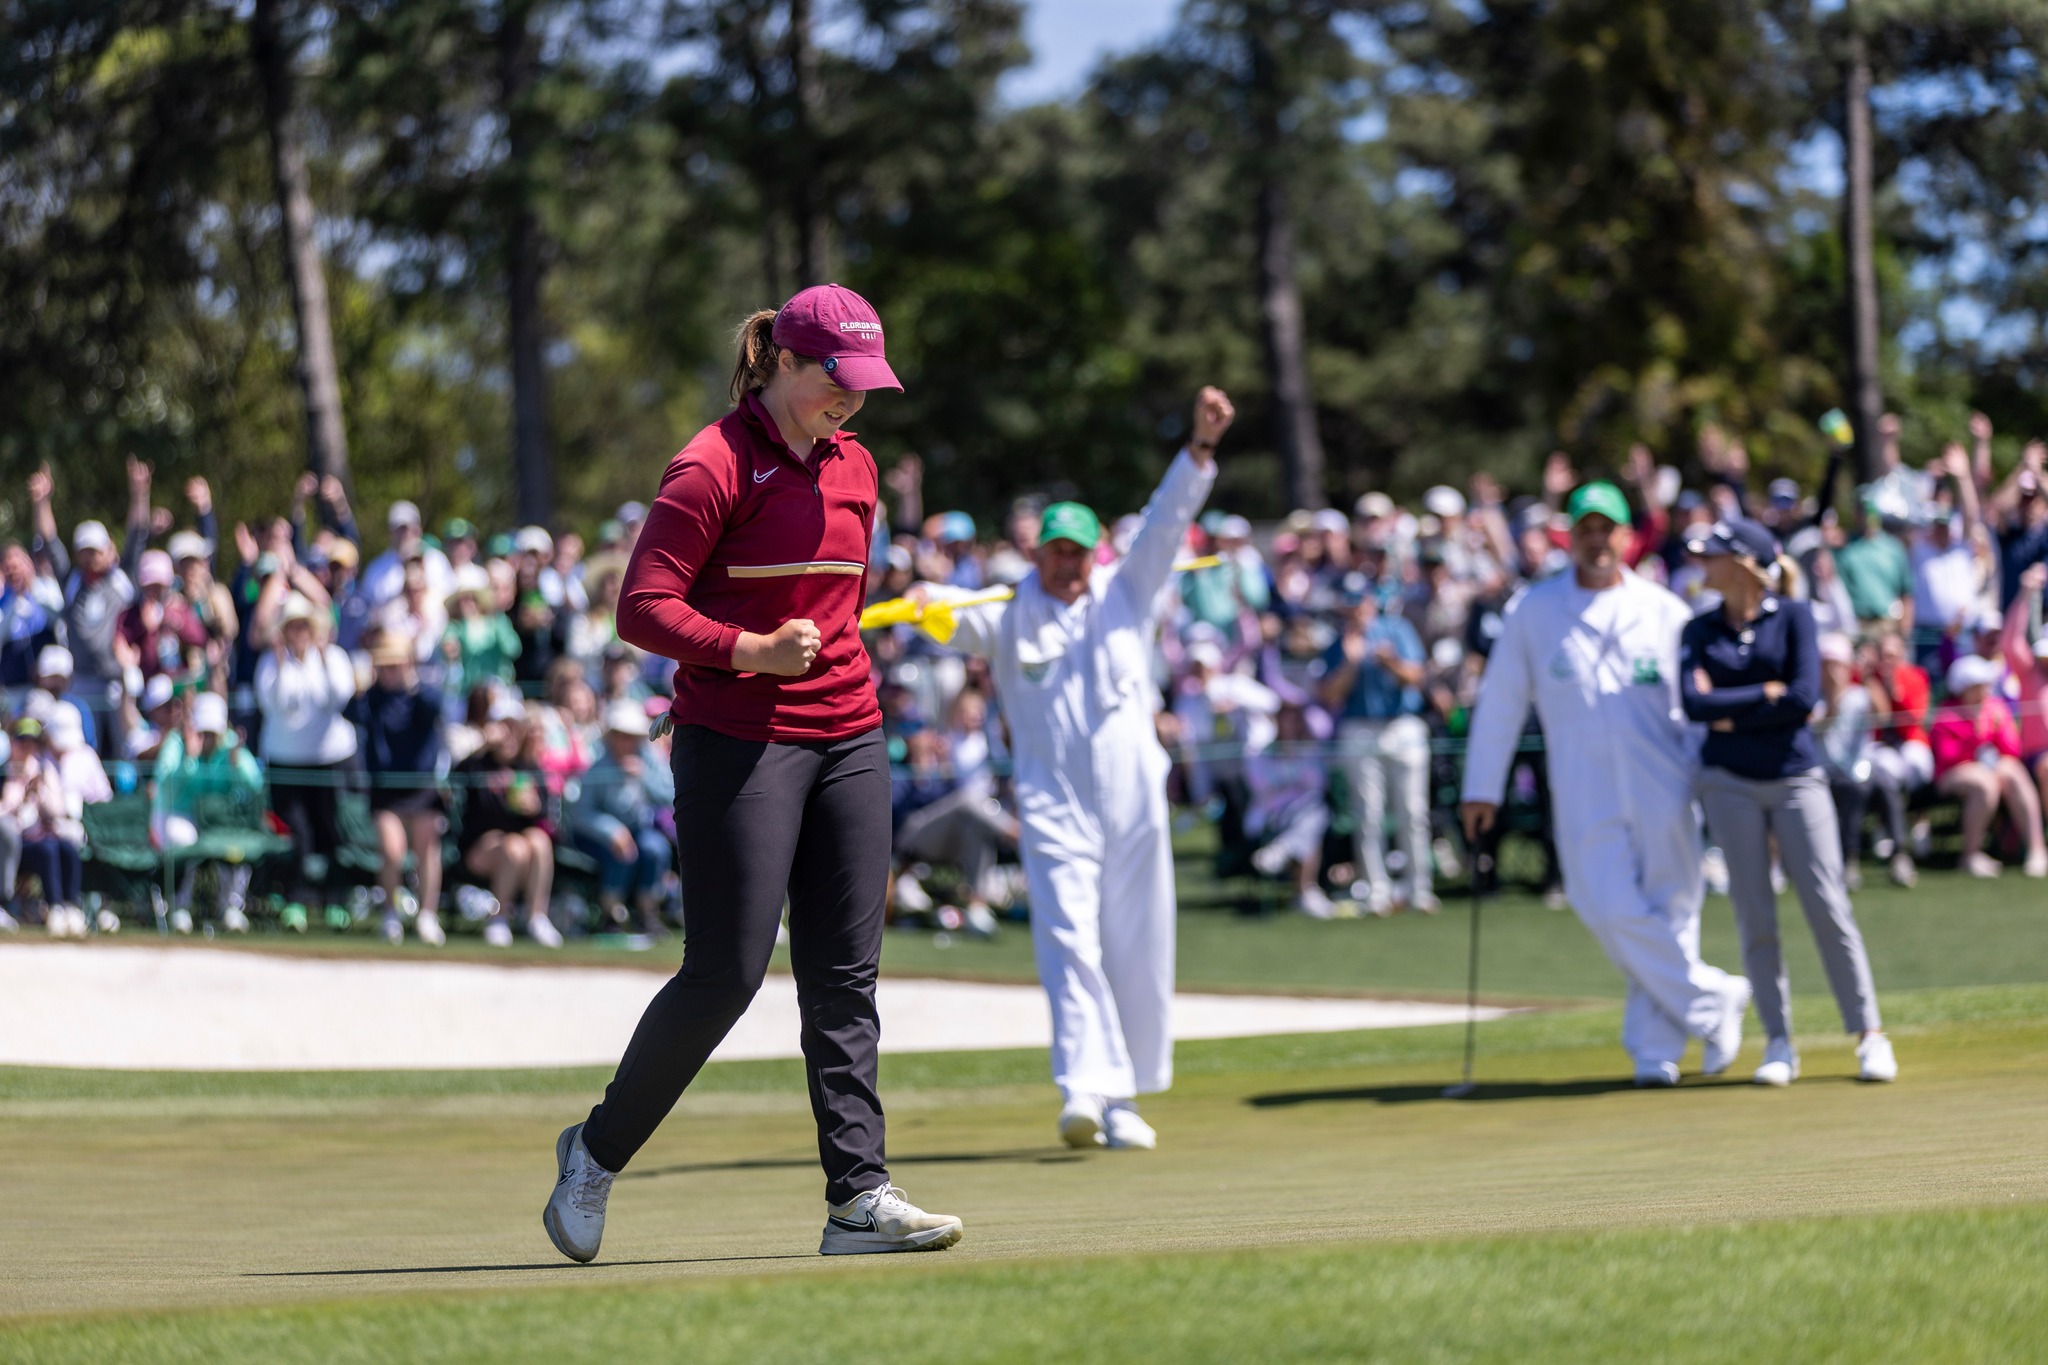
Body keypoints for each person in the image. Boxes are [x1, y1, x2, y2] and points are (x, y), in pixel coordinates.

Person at [545, 285, 962, 1263]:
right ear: (781, 360)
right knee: (725, 973)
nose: (850, 401)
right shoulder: (709, 466)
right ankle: (594, 1152)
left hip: (851, 734)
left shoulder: (855, 466)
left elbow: (833, 605)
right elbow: (641, 608)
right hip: (737, 736)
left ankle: (857, 1197)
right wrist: (746, 651)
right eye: (835, 379)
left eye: (864, 385)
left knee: (844, 980)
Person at [917, 385, 1235, 1149]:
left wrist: (1199, 449)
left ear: (1094, 551)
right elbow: (944, 614)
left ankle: (1123, 1097)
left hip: (1134, 803)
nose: (1067, 563)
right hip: (1054, 807)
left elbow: (1164, 524)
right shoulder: (1004, 611)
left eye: (1077, 550)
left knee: (1138, 944)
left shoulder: (1126, 594)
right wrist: (919, 594)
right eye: (1055, 550)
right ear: (1036, 552)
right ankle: (1083, 1088)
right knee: (1070, 945)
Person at [1460, 481, 1750, 1087]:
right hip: (1583, 781)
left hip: (1663, 779)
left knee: (1673, 908)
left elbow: (1694, 701)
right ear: (1571, 536)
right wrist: (1480, 786)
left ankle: (1654, 1051)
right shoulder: (1534, 611)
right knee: (1605, 903)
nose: (1597, 539)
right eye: (1585, 528)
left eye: (1607, 528)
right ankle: (1712, 1000)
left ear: (1626, 537)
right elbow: (1501, 702)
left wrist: (1714, 777)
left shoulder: (1665, 610)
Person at [1680, 518, 1894, 1086]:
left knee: (1827, 904)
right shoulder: (1697, 630)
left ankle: (1869, 1033)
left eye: (1716, 556)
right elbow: (1693, 707)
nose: (1704, 565)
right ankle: (1778, 1042)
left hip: (1797, 779)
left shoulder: (1796, 617)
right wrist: (1761, 694)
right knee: (1755, 914)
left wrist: (1730, 707)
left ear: (1746, 564)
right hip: (1728, 782)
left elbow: (1802, 698)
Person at [1314, 575, 1434, 914]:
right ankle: (1376, 890)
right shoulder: (1338, 641)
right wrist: (1352, 663)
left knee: (1413, 812)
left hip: (1401, 725)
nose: (1356, 610)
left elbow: (1416, 677)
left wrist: (1389, 661)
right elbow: (1329, 695)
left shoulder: (1395, 629)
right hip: (1359, 729)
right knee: (1369, 815)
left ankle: (1418, 887)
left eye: (1360, 602)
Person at [253, 593, 358, 923]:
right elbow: (277, 704)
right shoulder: (271, 663)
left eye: (304, 626)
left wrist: (324, 657)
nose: (299, 632)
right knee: (296, 832)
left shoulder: (334, 657)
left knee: (331, 830)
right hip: (286, 760)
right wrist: (284, 664)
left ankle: (335, 899)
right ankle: (296, 897)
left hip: (329, 759)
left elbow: (338, 697)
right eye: (293, 626)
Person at [348, 631, 450, 947]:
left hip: (421, 787)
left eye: (396, 664)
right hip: (386, 790)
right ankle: (391, 914)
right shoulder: (372, 698)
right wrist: (364, 684)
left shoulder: (423, 694)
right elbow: (351, 713)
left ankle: (427, 916)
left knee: (427, 849)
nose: (391, 671)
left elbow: (434, 708)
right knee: (392, 852)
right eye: (386, 665)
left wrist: (411, 683)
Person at [150, 691, 266, 934]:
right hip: (175, 815)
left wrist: (236, 764)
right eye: (204, 732)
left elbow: (254, 784)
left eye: (213, 733)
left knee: (235, 842)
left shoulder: (230, 745)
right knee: (185, 839)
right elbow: (165, 784)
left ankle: (231, 908)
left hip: (215, 820)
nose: (209, 739)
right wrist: (190, 760)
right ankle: (180, 907)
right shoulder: (176, 743)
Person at [452, 695, 562, 948]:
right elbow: (455, 777)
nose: (510, 735)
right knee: (514, 846)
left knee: (539, 840)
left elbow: (547, 817)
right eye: (504, 727)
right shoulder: (478, 764)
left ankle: (537, 917)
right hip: (480, 847)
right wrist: (482, 744)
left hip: (523, 848)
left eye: (515, 727)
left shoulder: (529, 767)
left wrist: (534, 808)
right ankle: (499, 919)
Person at [1932, 652, 2046, 879]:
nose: (1984, 691)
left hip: (1991, 769)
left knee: (2012, 771)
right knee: (1984, 783)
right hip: (1954, 775)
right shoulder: (1947, 713)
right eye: (1978, 686)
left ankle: (2037, 849)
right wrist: (1977, 736)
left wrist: (1997, 730)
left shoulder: (1995, 708)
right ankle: (1970, 855)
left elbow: (2013, 750)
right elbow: (1947, 756)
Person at [1814, 633, 1913, 889]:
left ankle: (1899, 855)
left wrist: (1868, 676)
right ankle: (1849, 860)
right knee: (1851, 791)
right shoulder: (1814, 699)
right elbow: (1819, 728)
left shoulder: (1860, 695)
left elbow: (1882, 715)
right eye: (1827, 664)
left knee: (1886, 786)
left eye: (1837, 664)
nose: (1832, 671)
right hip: (1826, 774)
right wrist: (1834, 698)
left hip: (1861, 770)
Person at [568, 698, 676, 935]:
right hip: (599, 836)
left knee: (655, 848)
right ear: (611, 736)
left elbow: (668, 794)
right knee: (622, 854)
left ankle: (648, 914)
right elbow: (582, 814)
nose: (626, 741)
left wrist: (644, 777)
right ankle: (611, 915)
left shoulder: (648, 761)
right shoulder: (598, 767)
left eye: (631, 735)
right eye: (620, 735)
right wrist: (612, 831)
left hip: (639, 830)